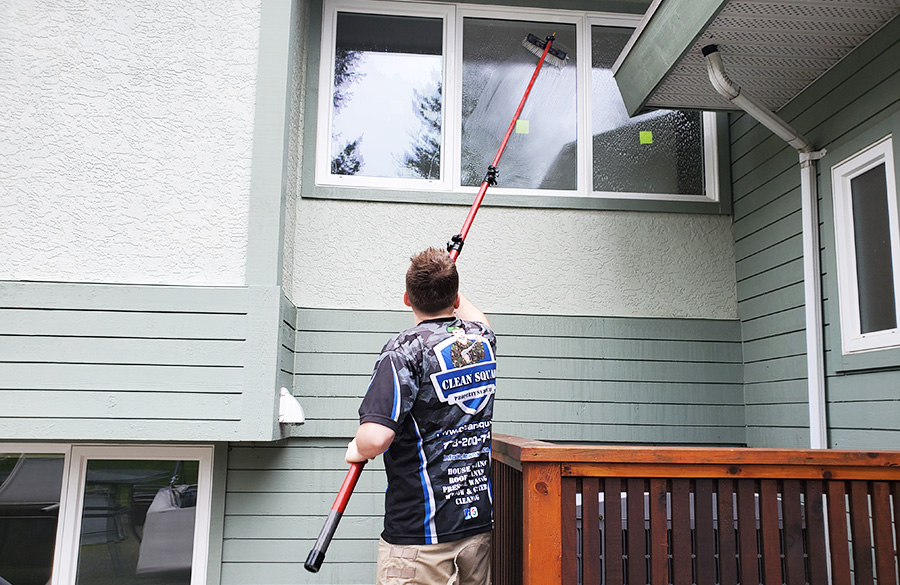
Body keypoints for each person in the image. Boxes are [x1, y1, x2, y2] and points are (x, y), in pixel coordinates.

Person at [345, 247, 497, 585]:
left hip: (420, 537)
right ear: (455, 299)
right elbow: (477, 317)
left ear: (406, 298)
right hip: (475, 525)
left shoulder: (404, 352)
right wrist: (447, 278)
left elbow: (375, 437)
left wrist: (358, 446)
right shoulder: (480, 340)